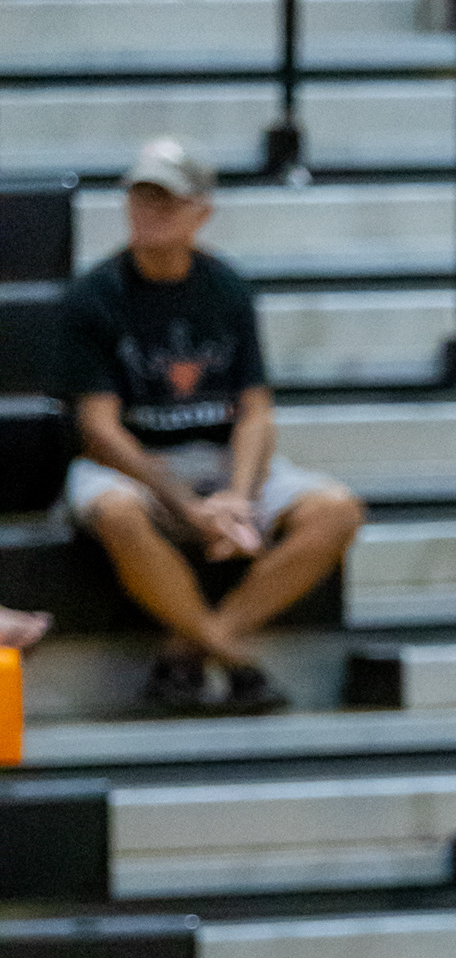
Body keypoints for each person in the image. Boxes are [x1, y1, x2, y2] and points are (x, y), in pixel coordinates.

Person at [56, 138, 365, 717]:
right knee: (117, 511)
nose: (149, 213)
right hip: (136, 461)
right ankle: (236, 658)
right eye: (140, 199)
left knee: (338, 510)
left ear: (201, 211)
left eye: (165, 201)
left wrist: (239, 500)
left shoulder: (227, 288)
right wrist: (184, 505)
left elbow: (256, 411)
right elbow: (99, 430)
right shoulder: (94, 297)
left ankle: (189, 650)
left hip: (221, 461)